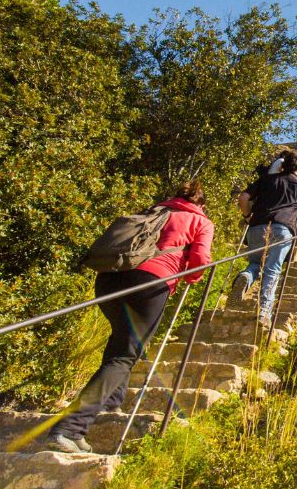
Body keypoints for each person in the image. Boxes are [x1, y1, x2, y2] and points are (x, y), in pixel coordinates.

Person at [46, 181, 213, 454]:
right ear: (201, 204)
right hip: (149, 284)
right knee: (124, 355)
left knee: (121, 342)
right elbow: (201, 258)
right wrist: (193, 277)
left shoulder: (155, 211)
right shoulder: (200, 221)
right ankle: (70, 428)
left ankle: (112, 401)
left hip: (110, 278)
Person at [232, 150, 297, 328]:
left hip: (257, 227)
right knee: (272, 270)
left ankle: (245, 277)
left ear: (282, 163)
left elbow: (243, 198)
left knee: (255, 264)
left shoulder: (266, 180)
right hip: (282, 230)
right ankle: (264, 313)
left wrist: (246, 216)